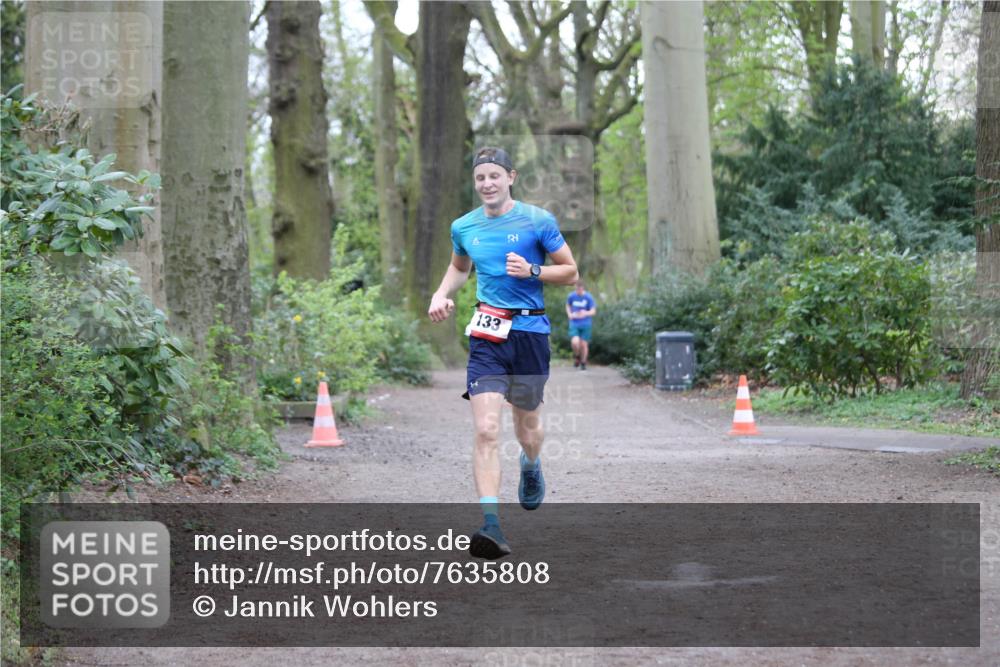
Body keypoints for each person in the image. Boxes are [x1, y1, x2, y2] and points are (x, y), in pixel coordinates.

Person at [427, 146, 579, 560]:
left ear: (510, 177)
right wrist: (441, 294)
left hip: (529, 332)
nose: (487, 184)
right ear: (474, 183)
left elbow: (571, 271)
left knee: (527, 427)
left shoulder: (537, 221)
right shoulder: (464, 226)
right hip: (486, 336)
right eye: (480, 178)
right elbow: (460, 268)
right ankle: (490, 524)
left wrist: (533, 270)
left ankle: (531, 465)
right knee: (486, 429)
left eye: (494, 175)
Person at [566, 281, 596, 370]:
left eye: (580, 288)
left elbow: (593, 311)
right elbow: (567, 305)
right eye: (576, 288)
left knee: (583, 344)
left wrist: (585, 313)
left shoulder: (588, 297)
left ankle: (583, 363)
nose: (578, 290)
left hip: (585, 323)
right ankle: (577, 356)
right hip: (574, 323)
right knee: (575, 342)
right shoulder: (571, 296)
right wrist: (569, 314)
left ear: (583, 288)